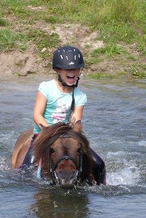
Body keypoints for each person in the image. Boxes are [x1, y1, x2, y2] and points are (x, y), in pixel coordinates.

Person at [23, 45, 105, 183]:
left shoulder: (80, 96)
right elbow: (37, 114)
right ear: (57, 70)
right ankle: (19, 183)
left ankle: (101, 187)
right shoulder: (46, 88)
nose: (72, 72)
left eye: (76, 69)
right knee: (26, 167)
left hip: (68, 136)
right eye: (67, 69)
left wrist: (74, 130)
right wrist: (50, 132)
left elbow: (77, 119)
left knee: (99, 164)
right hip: (43, 135)